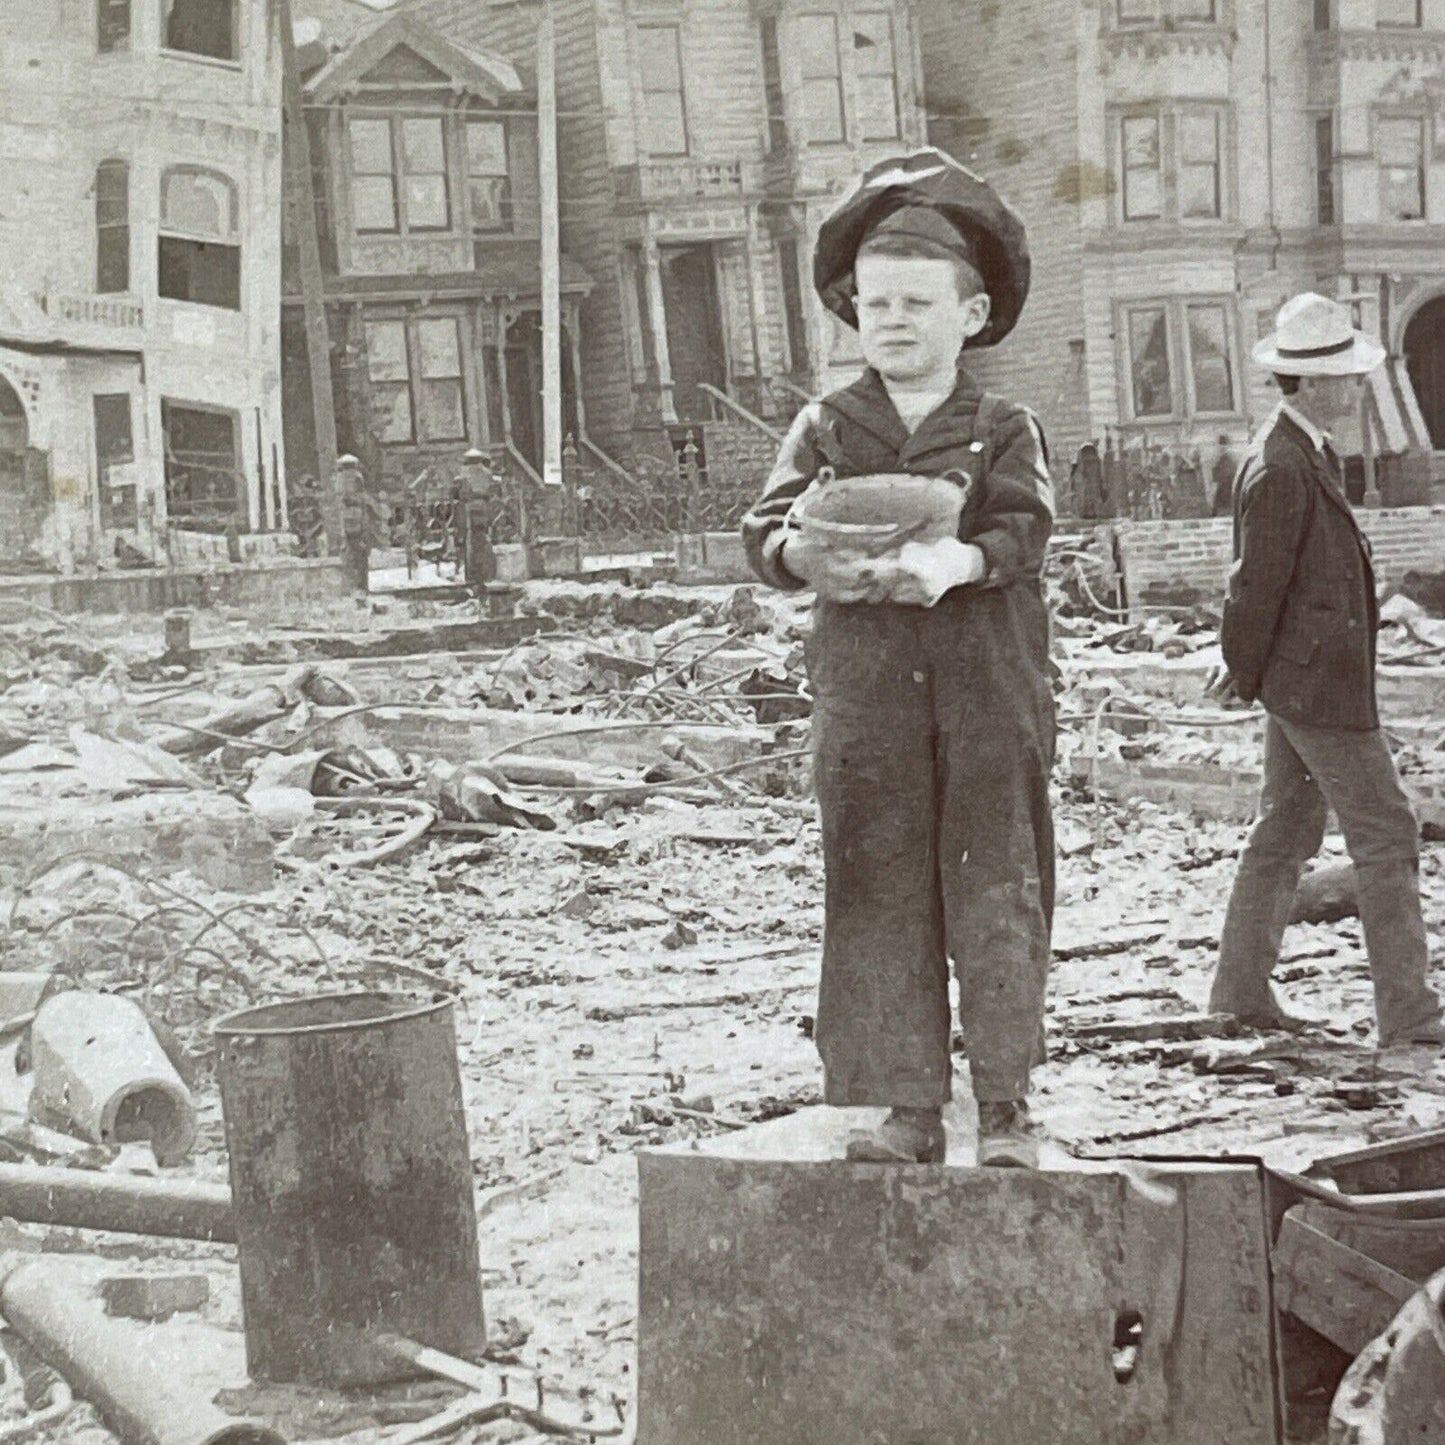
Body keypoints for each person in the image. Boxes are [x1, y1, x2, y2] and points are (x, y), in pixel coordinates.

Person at [740, 149, 1057, 1167]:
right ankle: (908, 1103)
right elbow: (763, 528)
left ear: (970, 316)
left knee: (993, 883)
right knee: (878, 888)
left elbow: (1026, 529)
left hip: (984, 694)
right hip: (867, 700)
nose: (891, 321)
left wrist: (956, 560)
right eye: (873, 303)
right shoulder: (827, 426)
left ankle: (1003, 1104)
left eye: (917, 302)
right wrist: (800, 553)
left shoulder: (1002, 426)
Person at [1208, 292, 1443, 1050]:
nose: (1353, 386)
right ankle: (1408, 1015)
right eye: (1342, 376)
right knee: (1385, 830)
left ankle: (1238, 995)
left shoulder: (1299, 448)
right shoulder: (1280, 463)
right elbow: (1253, 587)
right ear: (1307, 383)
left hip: (1303, 679)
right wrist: (1239, 671)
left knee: (1283, 829)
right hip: (1314, 688)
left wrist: (1251, 673)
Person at [1211, 435, 1237, 517]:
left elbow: (1219, 478)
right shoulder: (1224, 460)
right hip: (1225, 493)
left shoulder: (1227, 460)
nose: (1221, 448)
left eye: (1223, 446)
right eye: (1220, 446)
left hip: (1226, 493)